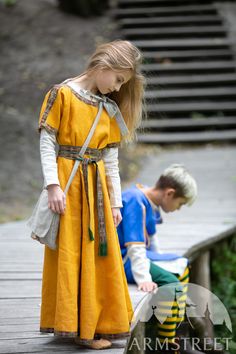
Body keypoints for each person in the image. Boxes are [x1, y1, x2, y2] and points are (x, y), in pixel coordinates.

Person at [36, 40, 146, 350]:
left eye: (123, 84)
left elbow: (110, 161)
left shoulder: (107, 108)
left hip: (96, 189)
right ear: (105, 66)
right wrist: (53, 186)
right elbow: (48, 144)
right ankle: (77, 328)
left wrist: (115, 202)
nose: (116, 89)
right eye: (118, 80)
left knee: (100, 256)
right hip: (69, 188)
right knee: (69, 254)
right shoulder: (62, 95)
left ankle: (98, 323)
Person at [117, 164, 198, 351]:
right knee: (172, 285)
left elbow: (152, 239)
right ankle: (167, 344)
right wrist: (144, 278)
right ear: (169, 193)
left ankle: (176, 332)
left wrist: (162, 263)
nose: (179, 209)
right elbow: (135, 245)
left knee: (181, 265)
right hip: (122, 259)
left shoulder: (147, 198)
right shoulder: (135, 201)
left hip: (138, 255)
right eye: (181, 203)